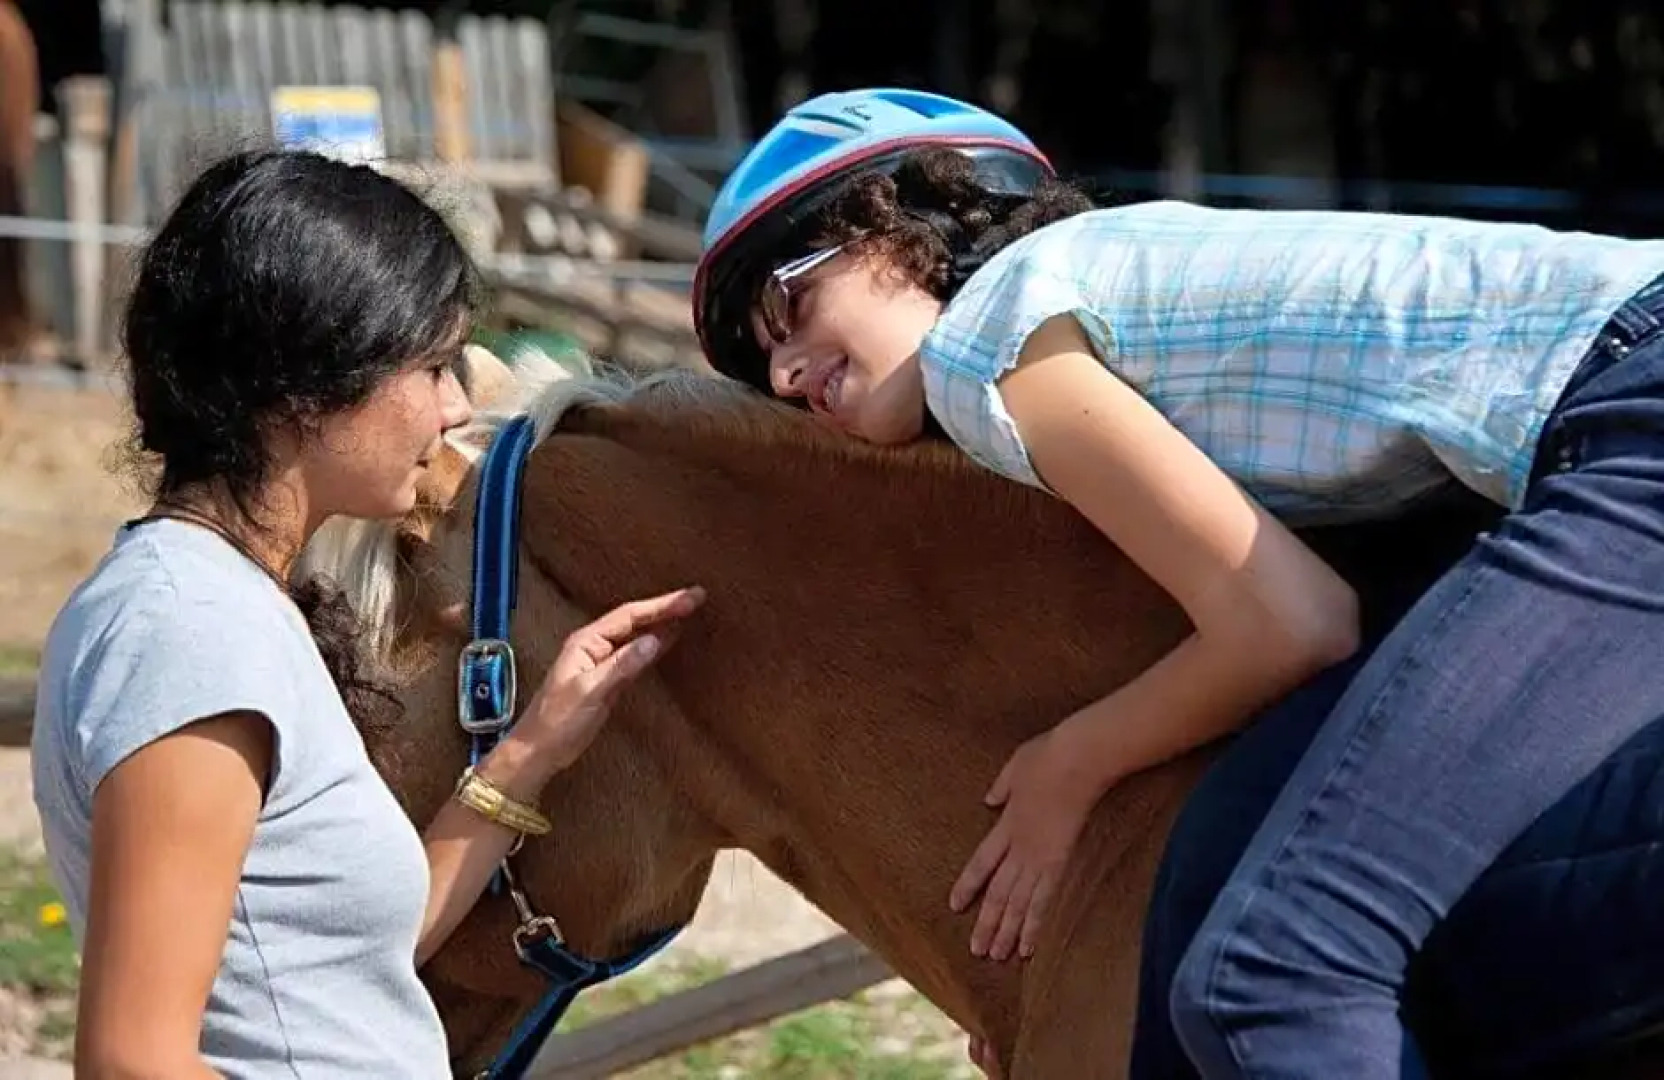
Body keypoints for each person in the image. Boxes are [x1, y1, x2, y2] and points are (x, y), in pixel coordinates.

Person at [691, 86, 1664, 1078]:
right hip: (1608, 409)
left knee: (1269, 973)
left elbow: (1292, 625)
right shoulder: (1110, 303)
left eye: (786, 303)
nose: (782, 377)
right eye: (762, 362)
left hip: (1630, 408)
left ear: (902, 227)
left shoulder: (989, 340)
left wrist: (1071, 761)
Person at [28, 147, 705, 1078]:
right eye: (431, 366)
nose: (455, 405)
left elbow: (334, 970)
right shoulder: (190, 634)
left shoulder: (211, 602)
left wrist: (533, 751)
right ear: (308, 388)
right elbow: (134, 1061)